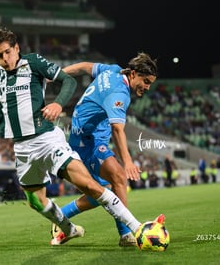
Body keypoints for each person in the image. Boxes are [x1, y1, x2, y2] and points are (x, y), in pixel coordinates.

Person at [0, 27, 163, 245]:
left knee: (104, 182)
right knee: (36, 201)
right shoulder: (1, 73)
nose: (4, 59)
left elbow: (73, 78)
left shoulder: (33, 63)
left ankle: (133, 231)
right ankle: (68, 228)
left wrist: (58, 100)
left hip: (50, 139)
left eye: (7, 52)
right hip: (24, 147)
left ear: (16, 48)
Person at [54, 52, 159, 246]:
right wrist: (127, 162)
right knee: (119, 178)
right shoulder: (119, 93)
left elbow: (85, 66)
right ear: (134, 73)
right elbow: (118, 129)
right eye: (145, 81)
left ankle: (60, 216)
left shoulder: (113, 70)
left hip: (85, 136)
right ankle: (127, 234)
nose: (147, 87)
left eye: (150, 83)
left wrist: (58, 74)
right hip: (89, 141)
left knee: (105, 192)